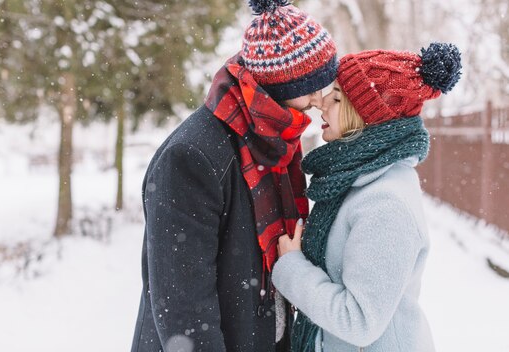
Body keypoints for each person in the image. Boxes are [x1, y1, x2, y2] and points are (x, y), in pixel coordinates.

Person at [130, 0, 338, 351]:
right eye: (312, 88)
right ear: (279, 87)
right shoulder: (192, 158)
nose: (320, 100)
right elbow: (185, 312)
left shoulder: (273, 141)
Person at [273, 43, 462, 352]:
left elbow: (359, 322)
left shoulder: (385, 204)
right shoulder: (358, 180)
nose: (321, 103)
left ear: (363, 116)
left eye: (335, 98)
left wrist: (292, 268)